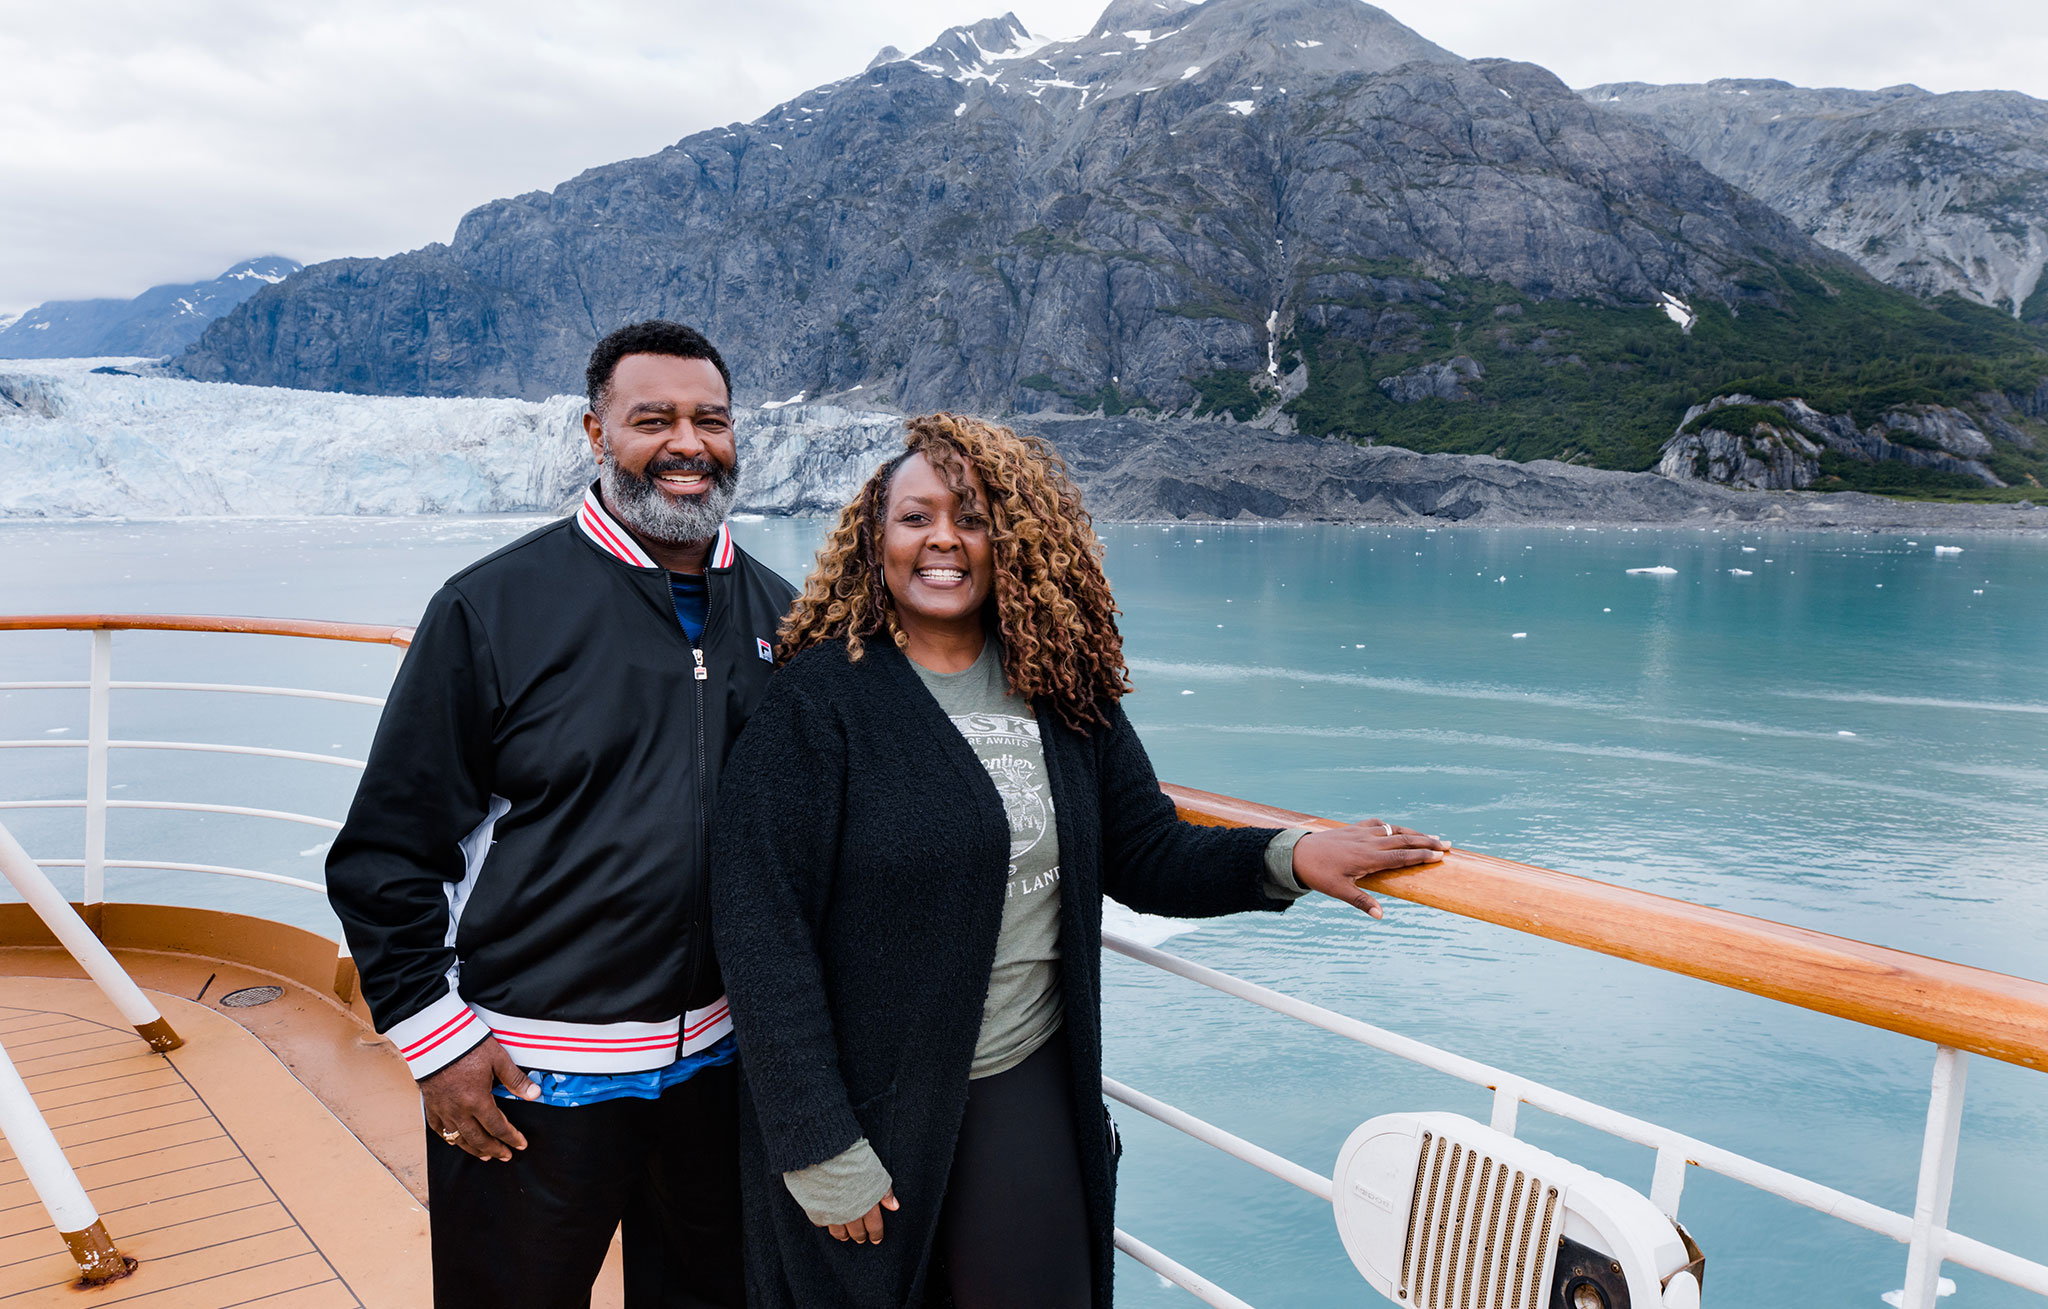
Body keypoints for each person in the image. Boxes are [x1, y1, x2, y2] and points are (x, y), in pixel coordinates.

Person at [708, 413, 1447, 1309]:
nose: (944, 538)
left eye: (972, 516)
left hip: (1020, 1075)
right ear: (876, 539)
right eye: (916, 517)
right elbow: (761, 926)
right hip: (868, 1097)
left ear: (1010, 538)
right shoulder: (820, 703)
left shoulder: (1058, 685)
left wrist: (1292, 855)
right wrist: (819, 1141)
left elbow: (1145, 849)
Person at [326, 320, 795, 1308]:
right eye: (652, 418)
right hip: (531, 1082)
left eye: (710, 420)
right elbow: (385, 854)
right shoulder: (494, 607)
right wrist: (434, 1039)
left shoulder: (780, 616)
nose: (686, 443)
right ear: (594, 432)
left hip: (717, 1074)